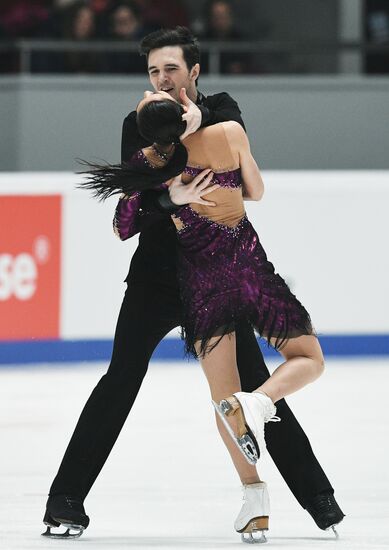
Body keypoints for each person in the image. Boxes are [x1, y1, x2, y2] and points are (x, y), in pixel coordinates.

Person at [42, 26, 344, 540]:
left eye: (171, 69)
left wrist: (194, 127)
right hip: (157, 278)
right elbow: (130, 210)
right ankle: (65, 501)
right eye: (154, 71)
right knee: (120, 381)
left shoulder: (224, 109)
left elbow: (232, 149)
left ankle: (318, 499)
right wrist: (169, 200)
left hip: (214, 277)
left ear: (194, 72)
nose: (161, 79)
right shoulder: (138, 125)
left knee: (251, 386)